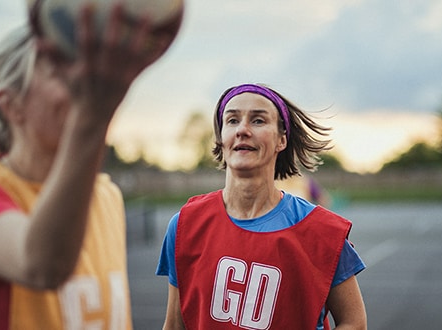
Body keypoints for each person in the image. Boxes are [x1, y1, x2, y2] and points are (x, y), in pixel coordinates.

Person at [0, 4, 171, 329]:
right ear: (11, 106)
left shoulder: (106, 197)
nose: (81, 82)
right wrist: (94, 114)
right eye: (60, 71)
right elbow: (42, 266)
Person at [157, 83, 367, 329]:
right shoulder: (185, 225)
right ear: (221, 138)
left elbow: (354, 322)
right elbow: (174, 325)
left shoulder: (322, 232)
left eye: (258, 121)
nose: (243, 130)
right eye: (232, 120)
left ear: (281, 140)